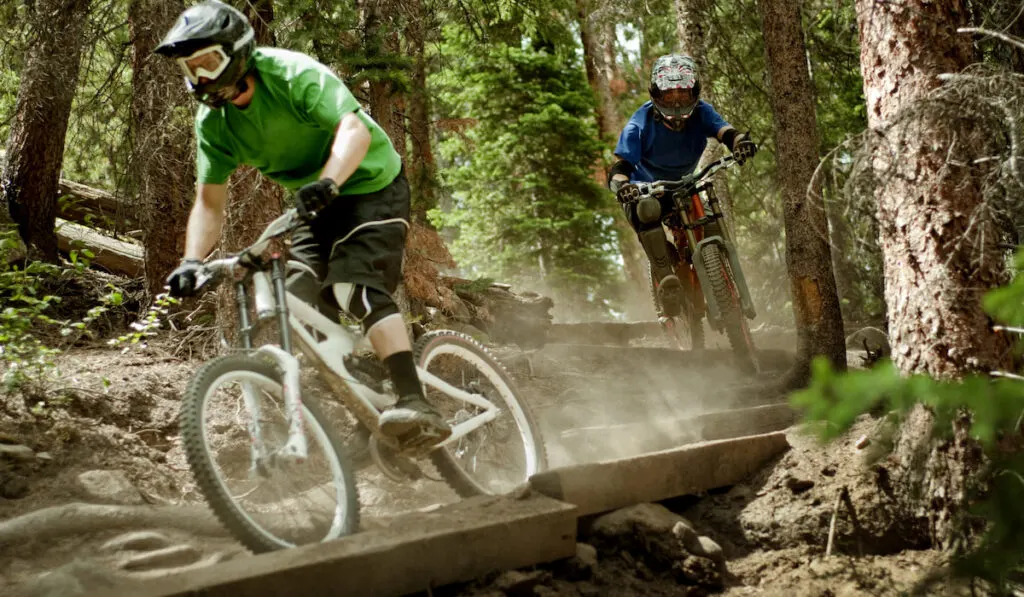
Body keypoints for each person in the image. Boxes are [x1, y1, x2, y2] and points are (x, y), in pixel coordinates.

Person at [155, 0, 450, 445]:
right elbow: (209, 203)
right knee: (297, 302)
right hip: (314, 204)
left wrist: (330, 180)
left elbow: (354, 129)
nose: (200, 79)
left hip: (370, 183)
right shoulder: (213, 124)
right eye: (190, 70)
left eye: (208, 64)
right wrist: (192, 260)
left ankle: (414, 400)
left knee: (352, 286)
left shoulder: (290, 73)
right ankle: (369, 403)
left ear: (237, 52)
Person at [608, 54, 757, 318]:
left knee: (709, 220)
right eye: (669, 95)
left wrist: (740, 143)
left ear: (694, 93)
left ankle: (717, 279)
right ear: (656, 94)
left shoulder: (702, 112)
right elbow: (620, 167)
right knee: (647, 210)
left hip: (685, 184)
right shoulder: (638, 123)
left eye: (683, 93)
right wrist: (622, 187)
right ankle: (667, 281)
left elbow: (726, 132)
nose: (676, 102)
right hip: (646, 190)